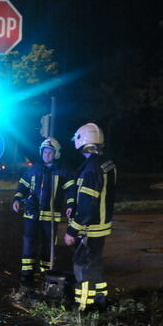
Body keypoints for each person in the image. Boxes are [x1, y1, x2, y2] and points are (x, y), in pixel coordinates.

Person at [63, 123, 117, 311]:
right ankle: (100, 300)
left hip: (90, 228)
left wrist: (72, 231)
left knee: (82, 267)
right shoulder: (107, 164)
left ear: (82, 141)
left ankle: (84, 307)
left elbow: (87, 206)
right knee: (95, 264)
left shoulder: (91, 169)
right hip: (101, 226)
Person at [12, 137, 75, 291]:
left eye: (50, 152)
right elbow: (22, 186)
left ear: (56, 154)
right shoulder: (33, 170)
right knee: (29, 244)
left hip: (50, 216)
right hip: (31, 214)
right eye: (45, 151)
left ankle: (45, 274)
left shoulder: (63, 172)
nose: (47, 154)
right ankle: (27, 276)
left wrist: (70, 204)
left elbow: (71, 190)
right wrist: (17, 199)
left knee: (48, 246)